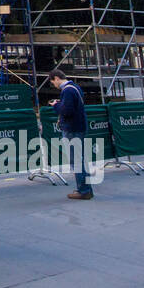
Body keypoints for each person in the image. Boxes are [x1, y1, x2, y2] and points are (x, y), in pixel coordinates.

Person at [50, 68, 92, 201]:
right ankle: (86, 189)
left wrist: (56, 106)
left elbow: (67, 111)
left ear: (56, 78)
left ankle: (83, 190)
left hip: (72, 129)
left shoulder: (67, 90)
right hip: (79, 127)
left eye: (53, 82)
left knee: (76, 160)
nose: (54, 85)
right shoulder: (75, 87)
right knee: (80, 159)